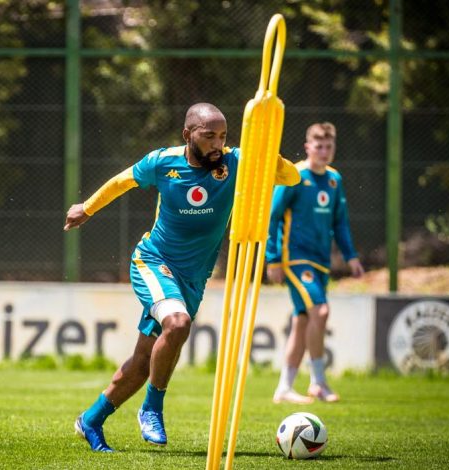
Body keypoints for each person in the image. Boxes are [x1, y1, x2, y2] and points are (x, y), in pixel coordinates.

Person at [64, 103, 300, 452]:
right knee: (177, 323)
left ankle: (91, 420)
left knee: (144, 362)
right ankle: (152, 408)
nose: (217, 144)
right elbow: (122, 182)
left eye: (222, 136)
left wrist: (264, 152)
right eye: (209, 136)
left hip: (193, 278)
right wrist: (87, 208)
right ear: (188, 134)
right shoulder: (163, 162)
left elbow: (291, 177)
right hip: (153, 261)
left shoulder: (235, 161)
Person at [265, 122, 364, 404]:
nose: (323, 151)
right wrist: (272, 258)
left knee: (303, 320)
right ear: (308, 147)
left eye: (328, 146)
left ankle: (284, 387)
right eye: (318, 146)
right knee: (319, 312)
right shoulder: (294, 176)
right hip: (295, 258)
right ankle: (318, 382)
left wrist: (351, 256)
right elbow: (273, 216)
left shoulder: (334, 180)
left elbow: (340, 222)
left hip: (321, 262)